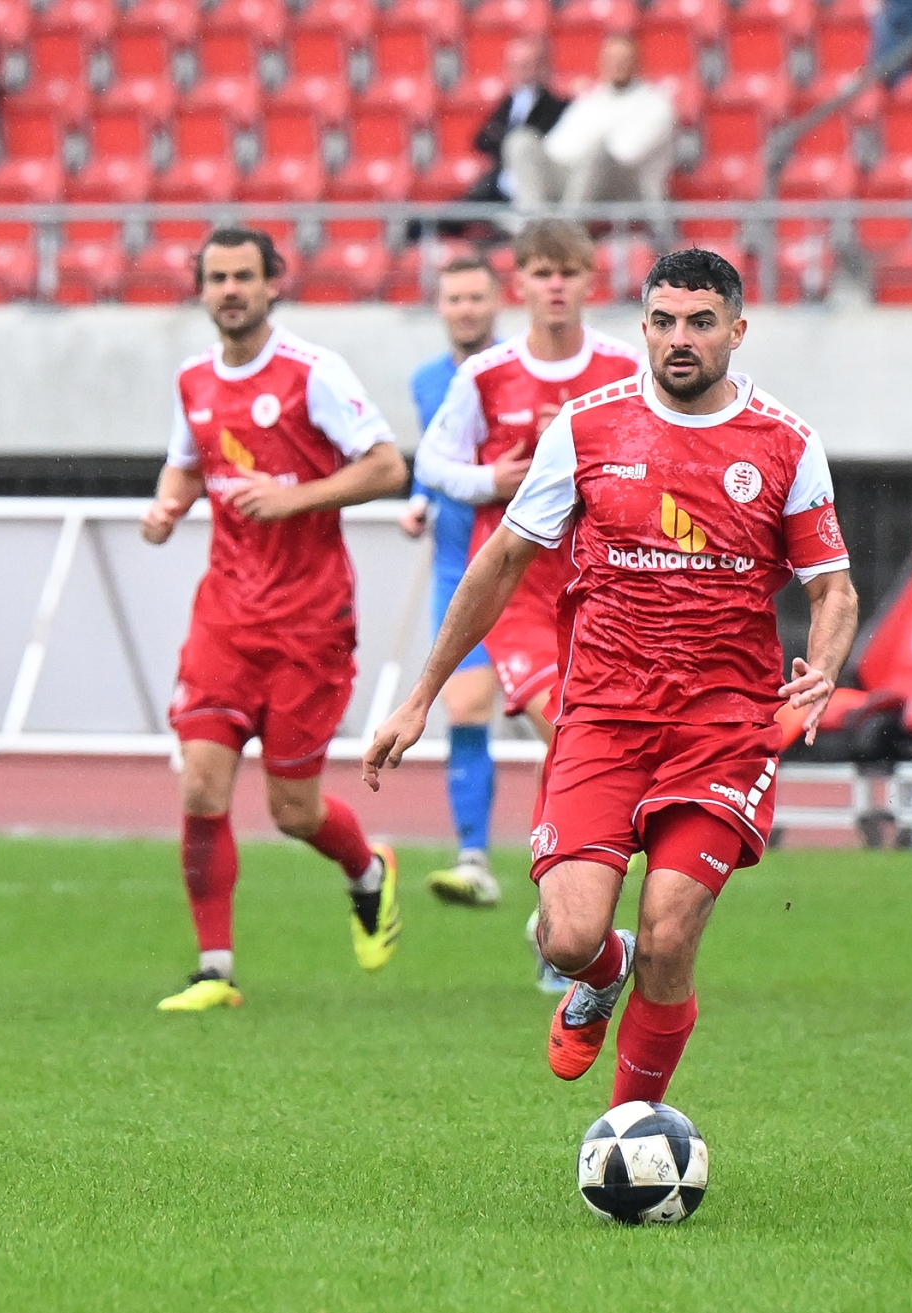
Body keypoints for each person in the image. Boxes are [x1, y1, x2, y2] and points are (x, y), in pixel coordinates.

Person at [364, 249, 860, 1110]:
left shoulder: (785, 443)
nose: (679, 338)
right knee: (566, 937)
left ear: (737, 331)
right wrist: (421, 696)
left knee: (670, 931)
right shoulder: (588, 428)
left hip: (722, 728)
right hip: (601, 715)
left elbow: (833, 588)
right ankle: (602, 969)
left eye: (700, 322)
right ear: (643, 328)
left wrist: (822, 669)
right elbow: (502, 560)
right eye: (663, 321)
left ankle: (629, 1129)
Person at [141, 228, 411, 1012]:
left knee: (293, 810)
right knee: (202, 785)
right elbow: (187, 464)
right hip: (225, 618)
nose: (230, 290)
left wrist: (295, 497)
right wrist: (167, 508)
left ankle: (368, 871)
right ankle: (214, 970)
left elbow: (387, 465)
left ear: (272, 285)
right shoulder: (193, 378)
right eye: (217, 277)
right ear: (201, 289)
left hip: (308, 623)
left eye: (243, 276)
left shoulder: (312, 372)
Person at [412, 221, 644, 910]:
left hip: (602, 591)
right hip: (516, 592)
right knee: (568, 733)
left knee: (591, 749)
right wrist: (489, 481)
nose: (555, 286)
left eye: (568, 272)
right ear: (520, 284)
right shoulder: (485, 375)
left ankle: (559, 903)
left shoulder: (625, 368)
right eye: (542, 273)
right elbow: (431, 463)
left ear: (589, 281)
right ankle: (537, 888)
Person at [397, 255, 508, 902]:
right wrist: (419, 498)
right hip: (457, 565)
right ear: (440, 307)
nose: (465, 309)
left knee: (564, 719)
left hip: (530, 564)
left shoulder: (519, 370)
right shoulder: (426, 380)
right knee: (463, 707)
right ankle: (473, 856)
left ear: (497, 302)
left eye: (475, 297)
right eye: (455, 298)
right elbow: (437, 454)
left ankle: (602, 840)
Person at [534, 34, 675, 207]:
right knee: (522, 143)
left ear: (638, 63)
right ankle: (534, 219)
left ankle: (569, 222)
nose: (617, 65)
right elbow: (556, 149)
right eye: (611, 59)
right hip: (579, 179)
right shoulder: (589, 100)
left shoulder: (656, 105)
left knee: (598, 154)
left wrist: (591, 141)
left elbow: (626, 154)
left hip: (633, 192)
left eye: (624, 60)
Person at [468, 37, 571, 209]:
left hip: (535, 184)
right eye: (516, 65)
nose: (522, 71)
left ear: (543, 66)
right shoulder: (507, 103)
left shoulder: (557, 106)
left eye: (528, 64)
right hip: (499, 183)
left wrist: (503, 138)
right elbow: (481, 139)